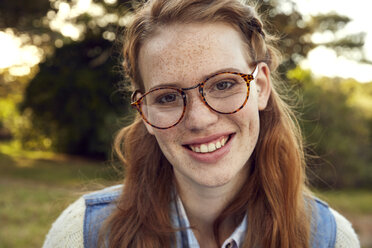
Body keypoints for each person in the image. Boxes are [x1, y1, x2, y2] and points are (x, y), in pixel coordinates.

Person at [43, 0, 360, 247]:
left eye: (223, 84)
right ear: (145, 114)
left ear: (260, 87)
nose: (199, 119)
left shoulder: (330, 239)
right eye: (167, 97)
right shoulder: (85, 236)